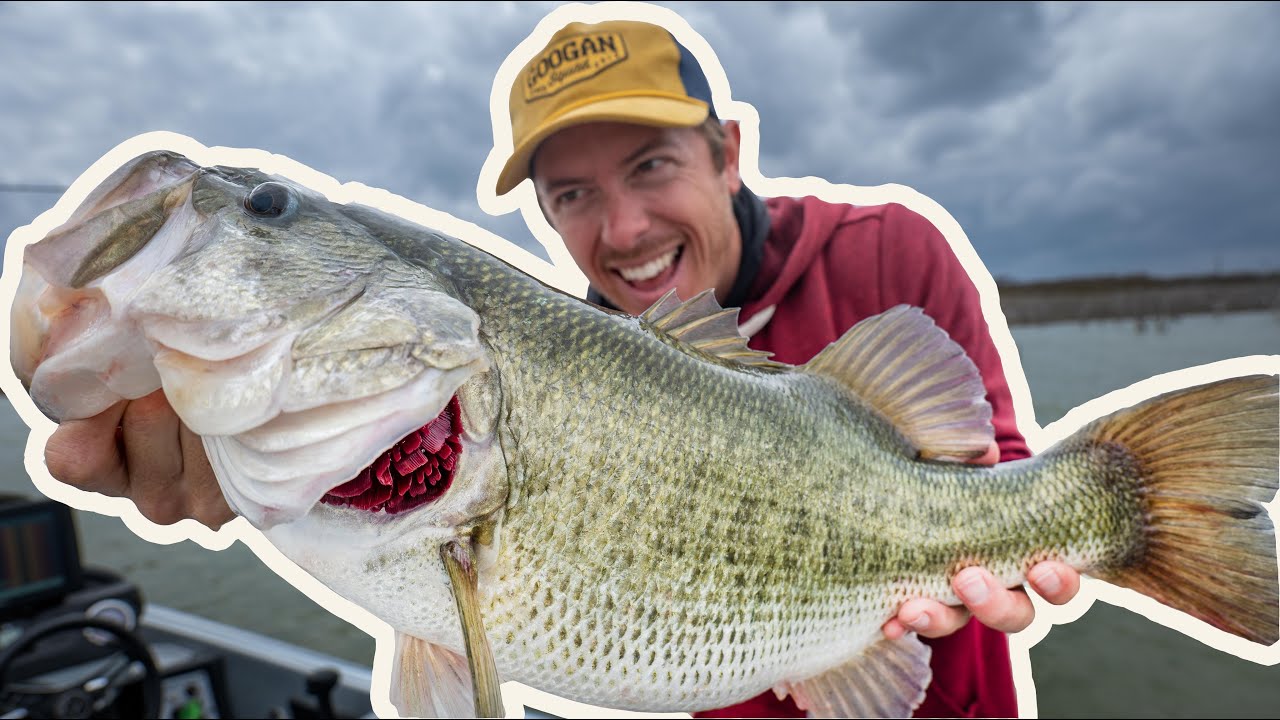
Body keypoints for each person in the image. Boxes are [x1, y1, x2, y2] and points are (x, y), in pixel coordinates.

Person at [44, 15, 1081, 719]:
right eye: (572, 194)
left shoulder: (889, 252)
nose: (622, 229)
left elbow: (989, 466)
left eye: (650, 165)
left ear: (727, 151)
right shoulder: (536, 358)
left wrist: (1022, 531)